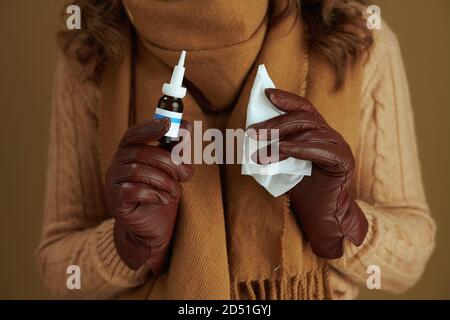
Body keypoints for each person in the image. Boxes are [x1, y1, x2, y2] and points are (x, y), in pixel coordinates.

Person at [36, 0, 436, 300]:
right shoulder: (92, 52)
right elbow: (59, 267)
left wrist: (342, 222)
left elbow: (410, 259)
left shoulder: (359, 39)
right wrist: (127, 247)